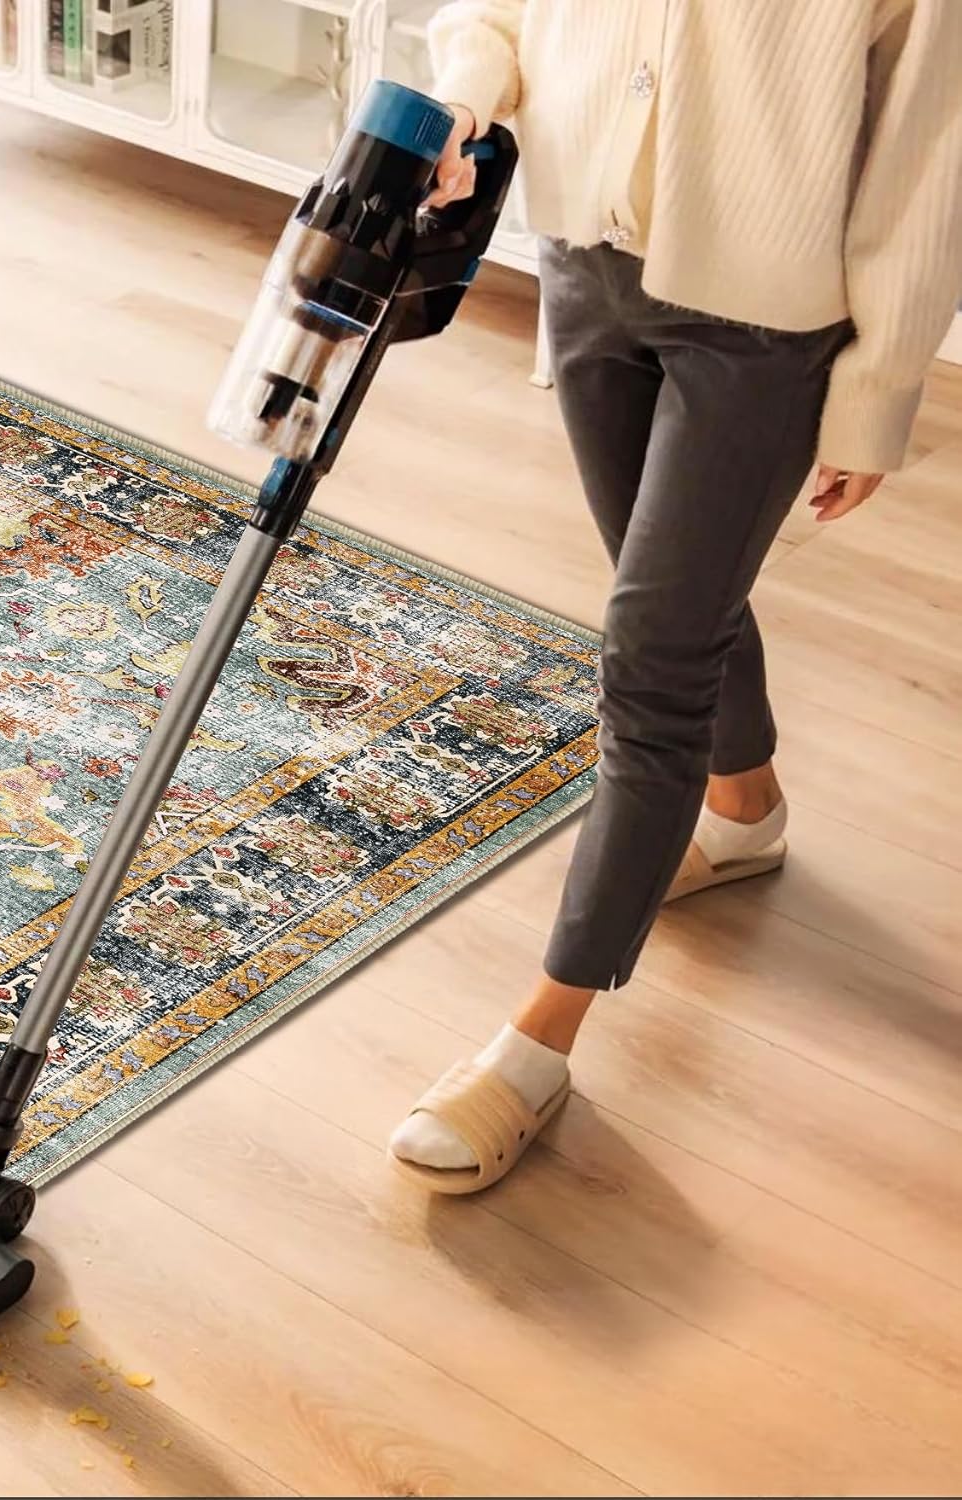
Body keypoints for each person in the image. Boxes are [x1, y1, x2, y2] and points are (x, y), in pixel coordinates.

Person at [388, 0, 962, 1193]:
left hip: (764, 327)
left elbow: (924, 159)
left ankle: (539, 1039)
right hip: (583, 265)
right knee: (672, 596)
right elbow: (498, 14)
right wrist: (462, 97)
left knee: (651, 653)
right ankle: (744, 811)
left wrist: (876, 393)